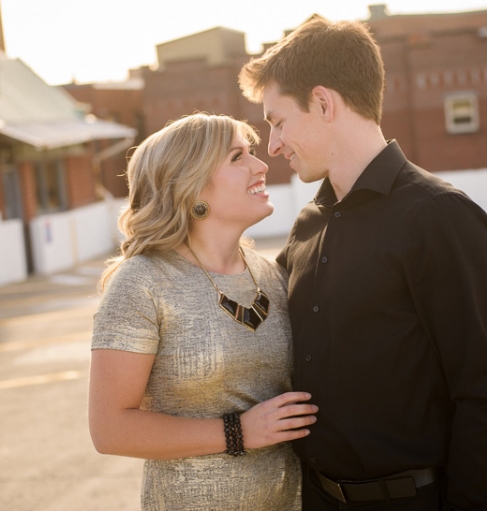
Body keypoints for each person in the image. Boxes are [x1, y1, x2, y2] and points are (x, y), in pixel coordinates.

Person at [239, 18, 487, 511]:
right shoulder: (308, 224)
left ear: (324, 103)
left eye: (278, 122)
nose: (274, 146)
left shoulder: (439, 216)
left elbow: (485, 397)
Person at [88, 113, 318, 511]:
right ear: (190, 183)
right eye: (237, 157)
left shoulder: (274, 275)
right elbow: (110, 430)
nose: (261, 165)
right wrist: (238, 432)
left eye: (253, 153)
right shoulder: (142, 283)